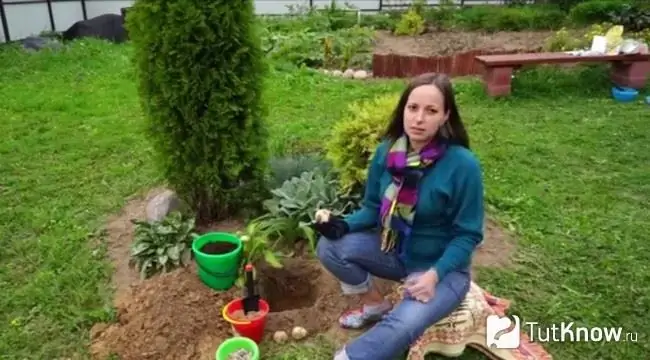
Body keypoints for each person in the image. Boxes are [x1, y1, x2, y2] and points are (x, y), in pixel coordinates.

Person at [313, 72, 484, 360]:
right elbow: (371, 208)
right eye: (413, 108)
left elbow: (468, 234)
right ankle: (374, 305)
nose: (419, 118)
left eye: (431, 111)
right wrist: (340, 225)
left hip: (443, 271)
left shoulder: (462, 165)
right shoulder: (388, 153)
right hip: (395, 253)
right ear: (403, 109)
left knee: (403, 323)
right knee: (329, 247)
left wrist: (434, 275)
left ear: (445, 116)